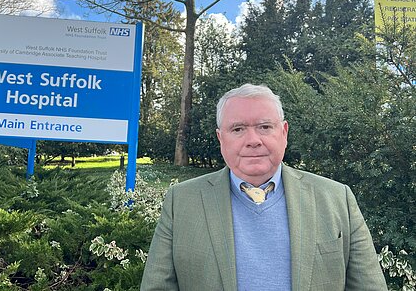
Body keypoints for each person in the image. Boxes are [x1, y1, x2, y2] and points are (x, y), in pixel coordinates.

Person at [140, 83, 387, 291]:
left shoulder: (337, 198)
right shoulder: (181, 201)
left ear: (284, 132)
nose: (253, 141)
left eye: (264, 127)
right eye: (238, 129)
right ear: (220, 138)